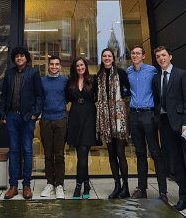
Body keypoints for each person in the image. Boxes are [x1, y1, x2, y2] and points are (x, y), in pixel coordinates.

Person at [153, 46, 186, 216]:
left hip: (184, 126)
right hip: (167, 125)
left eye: (163, 55)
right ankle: (184, 198)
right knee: (177, 163)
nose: (161, 58)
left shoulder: (181, 74)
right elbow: (158, 101)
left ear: (170, 56)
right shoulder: (156, 79)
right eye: (158, 56)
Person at [0, 46, 44, 200]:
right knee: (13, 151)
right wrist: (3, 113)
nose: (19, 58)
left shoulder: (33, 73)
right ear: (14, 59)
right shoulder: (9, 73)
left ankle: (26, 185)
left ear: (26, 58)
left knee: (27, 150)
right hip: (11, 116)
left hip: (27, 118)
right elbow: (4, 95)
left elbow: (39, 96)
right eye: (17, 56)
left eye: (22, 56)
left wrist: (34, 114)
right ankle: (13, 186)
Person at [127, 46, 167, 202]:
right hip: (134, 115)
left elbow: (160, 89)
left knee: (155, 152)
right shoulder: (129, 72)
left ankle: (163, 192)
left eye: (138, 53)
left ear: (143, 56)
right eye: (133, 53)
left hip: (148, 114)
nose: (135, 55)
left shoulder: (152, 70)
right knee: (140, 153)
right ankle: (142, 189)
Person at [96, 48, 131, 199]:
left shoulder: (121, 73)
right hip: (105, 117)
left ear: (113, 58)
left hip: (118, 116)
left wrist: (120, 103)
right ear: (102, 58)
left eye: (109, 56)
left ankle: (126, 187)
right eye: (104, 56)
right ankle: (116, 186)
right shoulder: (98, 75)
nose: (107, 58)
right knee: (110, 153)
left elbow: (129, 90)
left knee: (120, 152)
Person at [66, 57, 98, 199]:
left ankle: (78, 186)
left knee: (84, 150)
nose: (80, 68)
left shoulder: (93, 79)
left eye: (82, 65)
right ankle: (86, 183)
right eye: (77, 65)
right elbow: (65, 98)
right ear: (75, 68)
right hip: (75, 117)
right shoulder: (70, 82)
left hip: (89, 116)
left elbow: (99, 97)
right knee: (80, 152)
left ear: (85, 66)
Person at [39, 55, 68, 199]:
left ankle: (60, 185)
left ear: (59, 66)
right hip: (45, 120)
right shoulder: (41, 81)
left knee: (59, 154)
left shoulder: (65, 81)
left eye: (57, 64)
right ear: (48, 65)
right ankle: (50, 183)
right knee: (48, 154)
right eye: (52, 64)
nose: (54, 67)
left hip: (60, 119)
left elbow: (67, 97)